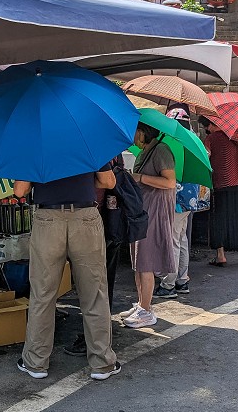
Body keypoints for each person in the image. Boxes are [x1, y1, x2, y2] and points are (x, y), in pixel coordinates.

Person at [13, 165, 122, 381]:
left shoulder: (36, 140)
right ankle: (102, 363)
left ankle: (36, 362)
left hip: (48, 219)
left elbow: (19, 190)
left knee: (43, 294)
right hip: (85, 217)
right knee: (94, 293)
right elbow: (109, 182)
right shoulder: (86, 136)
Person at [64, 154, 125, 356]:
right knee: (99, 286)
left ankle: (97, 342)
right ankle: (101, 340)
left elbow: (108, 181)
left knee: (94, 288)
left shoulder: (95, 148)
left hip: (100, 220)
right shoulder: (105, 145)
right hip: (107, 220)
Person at [120, 121, 176, 329]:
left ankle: (147, 308)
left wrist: (140, 177)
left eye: (135, 131)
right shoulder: (146, 151)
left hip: (155, 210)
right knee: (138, 258)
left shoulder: (161, 150)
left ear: (143, 132)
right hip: (143, 210)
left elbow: (170, 182)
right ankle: (142, 304)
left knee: (146, 259)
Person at [200, 116, 238, 269]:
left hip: (221, 183)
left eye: (207, 126)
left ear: (213, 125)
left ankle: (221, 255)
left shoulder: (211, 139)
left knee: (219, 218)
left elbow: (205, 159)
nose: (207, 129)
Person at [153, 106, 199, 299]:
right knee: (181, 240)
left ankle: (169, 284)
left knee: (172, 241)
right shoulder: (193, 141)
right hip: (190, 200)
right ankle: (182, 280)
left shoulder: (173, 144)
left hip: (175, 200)